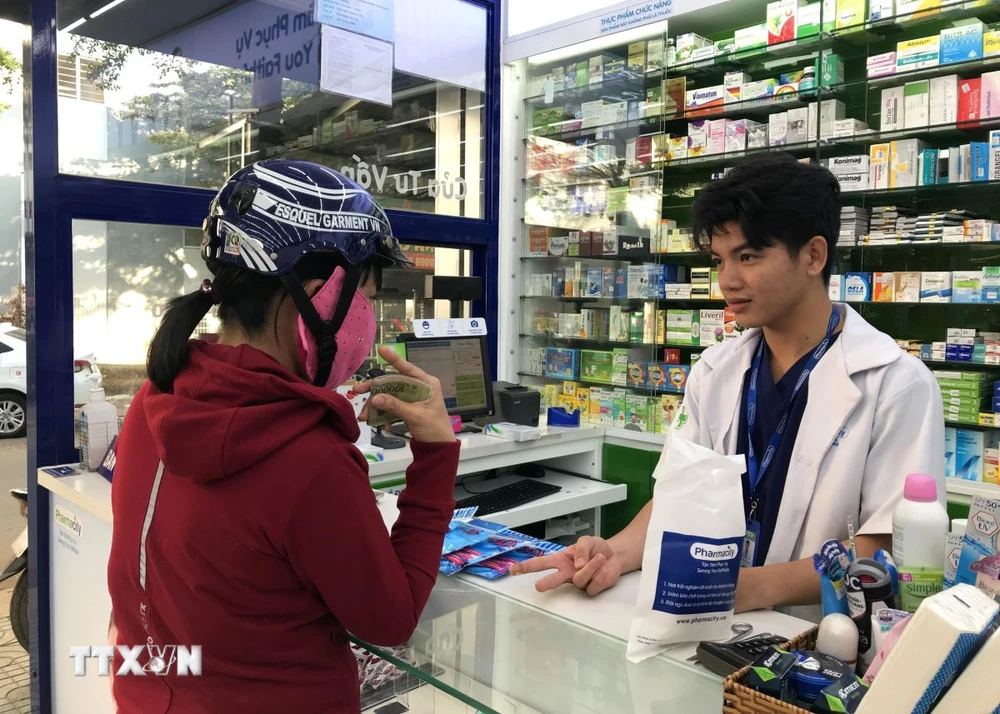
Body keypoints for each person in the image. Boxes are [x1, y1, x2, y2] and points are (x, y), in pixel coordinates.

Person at [513, 152, 945, 618]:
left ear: (813, 255)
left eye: (749, 256)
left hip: (822, 641)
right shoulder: (716, 370)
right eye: (719, 260)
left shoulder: (895, 383)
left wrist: (744, 589)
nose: (728, 280)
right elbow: (680, 494)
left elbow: (889, 543)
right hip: (709, 626)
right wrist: (612, 555)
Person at [106, 159, 460, 713]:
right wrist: (436, 454)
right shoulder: (310, 461)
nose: (366, 318)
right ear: (319, 296)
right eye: (363, 296)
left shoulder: (158, 400)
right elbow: (390, 619)